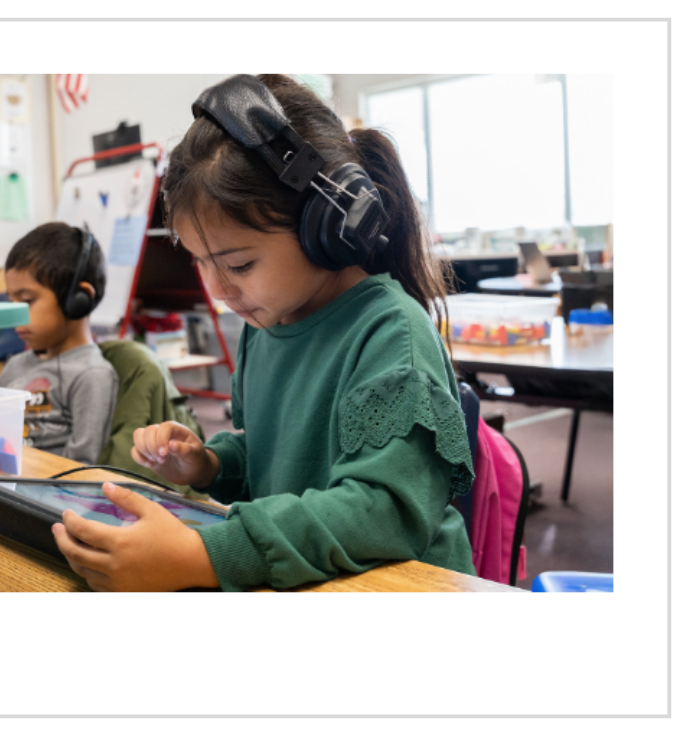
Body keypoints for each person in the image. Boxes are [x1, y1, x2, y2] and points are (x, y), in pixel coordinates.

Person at [51, 74, 475, 592]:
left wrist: (202, 555)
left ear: (329, 226)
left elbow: (382, 511)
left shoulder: (390, 334)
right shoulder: (266, 321)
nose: (219, 289)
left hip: (400, 587)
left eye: (240, 263)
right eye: (202, 263)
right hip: (307, 577)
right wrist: (210, 464)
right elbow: (270, 459)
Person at [0, 222, 119, 465]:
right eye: (12, 302)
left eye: (27, 301)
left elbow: (81, 466)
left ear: (77, 300)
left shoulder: (92, 375)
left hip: (47, 494)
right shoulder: (15, 366)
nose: (15, 316)